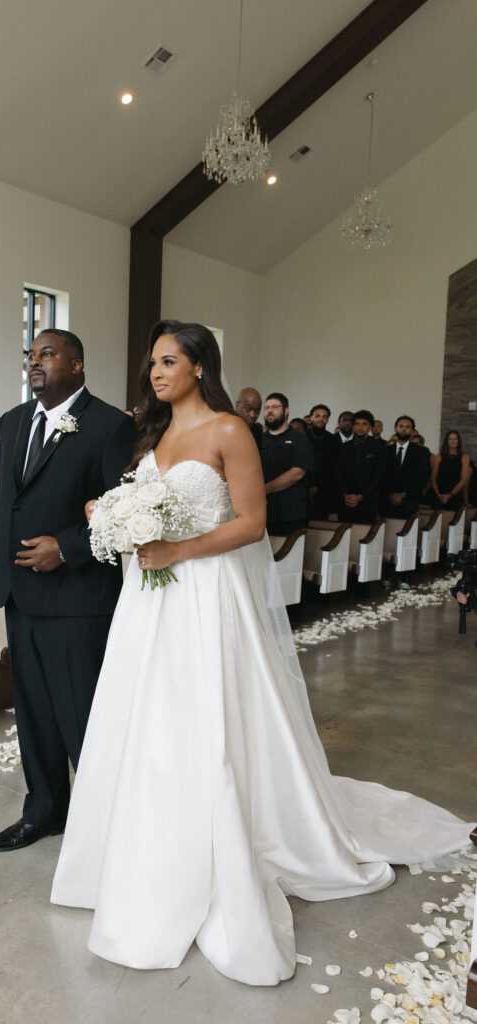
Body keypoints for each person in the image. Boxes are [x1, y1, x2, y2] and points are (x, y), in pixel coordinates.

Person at [51, 321, 472, 987]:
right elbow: (143, 507)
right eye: (151, 363)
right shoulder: (153, 435)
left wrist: (173, 549)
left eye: (167, 361)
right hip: (149, 597)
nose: (155, 372)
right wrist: (115, 519)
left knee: (208, 711)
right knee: (148, 713)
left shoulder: (227, 430)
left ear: (198, 366)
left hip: (203, 591)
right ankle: (135, 840)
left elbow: (250, 522)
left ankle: (223, 829)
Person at [0, 329, 134, 852]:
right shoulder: (12, 423)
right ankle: (44, 812)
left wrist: (68, 547)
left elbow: (122, 509)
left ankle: (106, 822)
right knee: (33, 711)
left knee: (81, 713)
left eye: (47, 354)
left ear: (77, 365)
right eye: (31, 355)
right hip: (20, 594)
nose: (35, 363)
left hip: (78, 598)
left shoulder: (111, 426)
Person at [260, 392, 313, 534]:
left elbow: (297, 473)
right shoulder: (259, 440)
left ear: (286, 410)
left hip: (290, 513)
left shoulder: (300, 440)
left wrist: (263, 490)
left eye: (275, 407)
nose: (269, 411)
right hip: (262, 512)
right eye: (267, 408)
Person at [334, 409, 382, 523]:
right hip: (345, 502)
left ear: (370, 427)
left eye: (364, 424)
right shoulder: (343, 447)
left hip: (368, 503)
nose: (360, 427)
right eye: (357, 424)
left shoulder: (379, 449)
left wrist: (361, 496)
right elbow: (337, 473)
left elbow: (379, 477)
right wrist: (345, 494)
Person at [381, 415, 431, 519]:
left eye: (408, 427)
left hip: (409, 502)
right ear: (395, 428)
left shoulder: (421, 452)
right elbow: (380, 475)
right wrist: (390, 495)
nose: (404, 429)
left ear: (412, 431)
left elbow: (422, 476)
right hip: (386, 502)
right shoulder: (384, 451)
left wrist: (403, 494)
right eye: (401, 426)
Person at [307, 403, 336, 518]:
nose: (321, 419)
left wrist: (318, 487)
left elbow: (333, 468)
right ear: (311, 418)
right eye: (317, 416)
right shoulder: (303, 437)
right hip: (303, 489)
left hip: (325, 490)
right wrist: (308, 486)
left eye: (324, 416)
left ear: (328, 419)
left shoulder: (333, 440)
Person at [429, 430, 471, 509]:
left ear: (458, 441)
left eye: (455, 439)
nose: (452, 441)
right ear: (446, 441)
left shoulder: (465, 457)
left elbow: (464, 480)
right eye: (450, 439)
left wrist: (450, 495)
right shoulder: (438, 457)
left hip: (455, 495)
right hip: (438, 495)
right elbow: (433, 479)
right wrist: (439, 495)